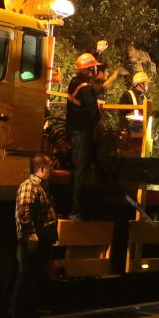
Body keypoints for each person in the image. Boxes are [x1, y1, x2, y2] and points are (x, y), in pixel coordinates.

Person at [12, 153, 58, 318]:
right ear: (41, 168)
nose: (52, 170)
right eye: (50, 167)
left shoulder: (42, 187)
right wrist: (30, 235)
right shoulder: (30, 187)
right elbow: (24, 212)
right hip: (33, 243)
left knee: (33, 281)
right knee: (27, 280)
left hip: (41, 242)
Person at [66, 53, 103, 219]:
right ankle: (77, 210)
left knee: (75, 170)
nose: (96, 70)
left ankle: (73, 208)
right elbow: (94, 113)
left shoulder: (74, 83)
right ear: (89, 70)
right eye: (94, 67)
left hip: (73, 132)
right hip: (82, 134)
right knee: (82, 171)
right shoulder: (87, 88)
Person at [118, 71, 151, 155]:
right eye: (146, 83)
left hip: (142, 128)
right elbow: (121, 114)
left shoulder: (143, 97)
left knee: (140, 153)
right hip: (131, 128)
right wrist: (124, 129)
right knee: (132, 154)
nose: (147, 85)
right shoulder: (127, 95)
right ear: (139, 84)